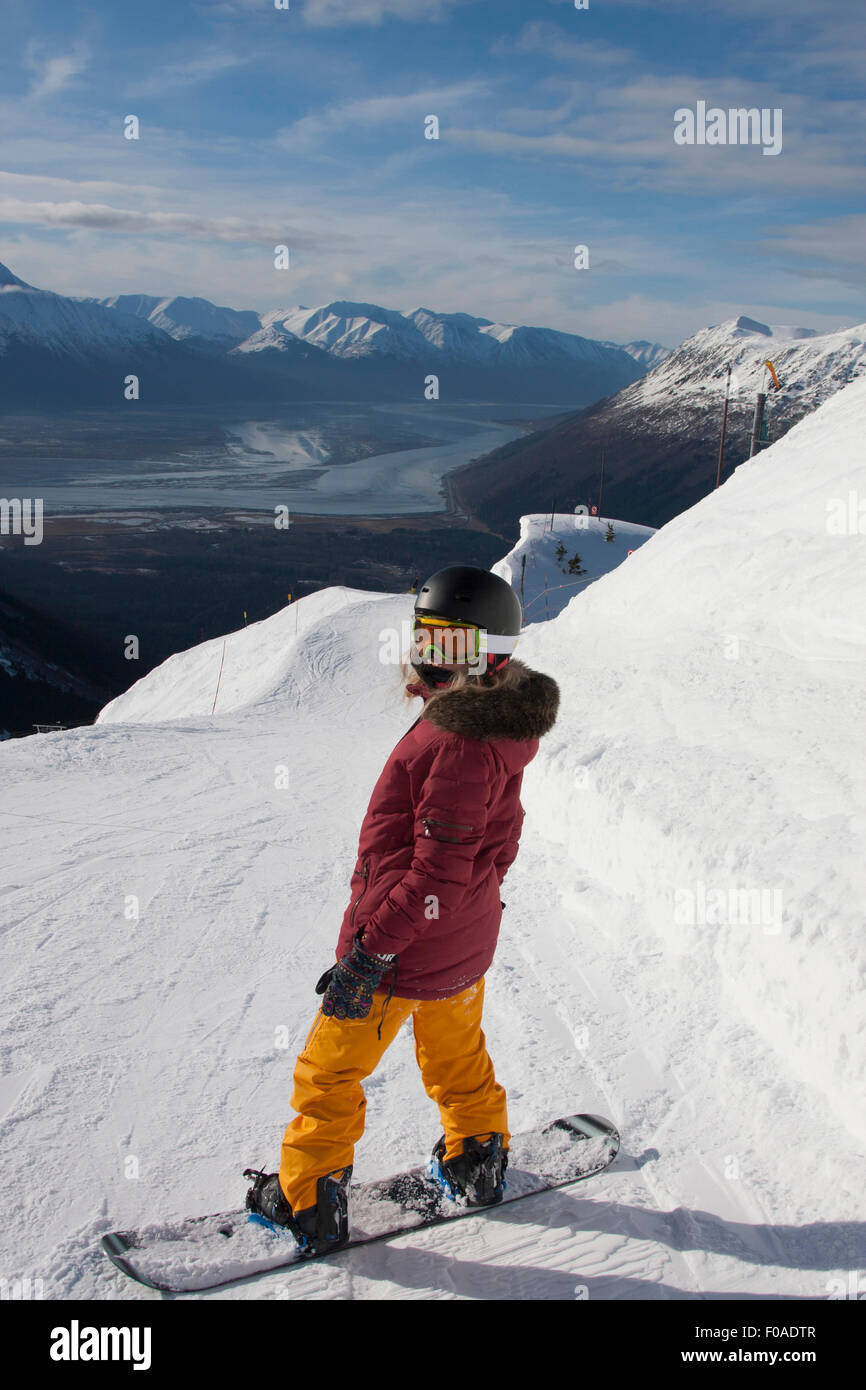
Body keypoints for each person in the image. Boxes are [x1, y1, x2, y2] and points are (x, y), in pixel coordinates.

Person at [245, 565, 560, 1255]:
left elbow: (436, 871)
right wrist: (470, 904)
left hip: (402, 949)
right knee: (456, 1054)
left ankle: (308, 1203)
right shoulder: (491, 727)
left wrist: (371, 951)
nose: (426, 656)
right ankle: (477, 1158)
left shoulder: (456, 740)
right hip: (459, 945)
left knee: (329, 1071)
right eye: (425, 638)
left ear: (488, 654)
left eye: (447, 645)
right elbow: (493, 845)